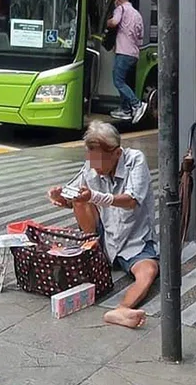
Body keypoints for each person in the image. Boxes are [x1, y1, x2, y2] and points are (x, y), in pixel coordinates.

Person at [48, 121, 158, 329]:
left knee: (149, 271)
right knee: (79, 199)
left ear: (116, 153)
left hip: (134, 238)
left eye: (99, 161)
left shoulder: (135, 159)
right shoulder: (91, 166)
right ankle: (91, 252)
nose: (95, 167)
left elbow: (132, 200)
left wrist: (95, 196)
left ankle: (121, 310)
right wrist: (60, 198)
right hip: (103, 236)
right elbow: (74, 197)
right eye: (91, 160)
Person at [107, 0, 147, 124]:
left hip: (123, 52)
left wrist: (107, 22)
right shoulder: (137, 14)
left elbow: (114, 22)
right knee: (123, 81)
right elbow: (140, 37)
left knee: (118, 81)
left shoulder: (121, 9)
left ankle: (137, 104)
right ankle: (125, 110)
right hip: (134, 54)